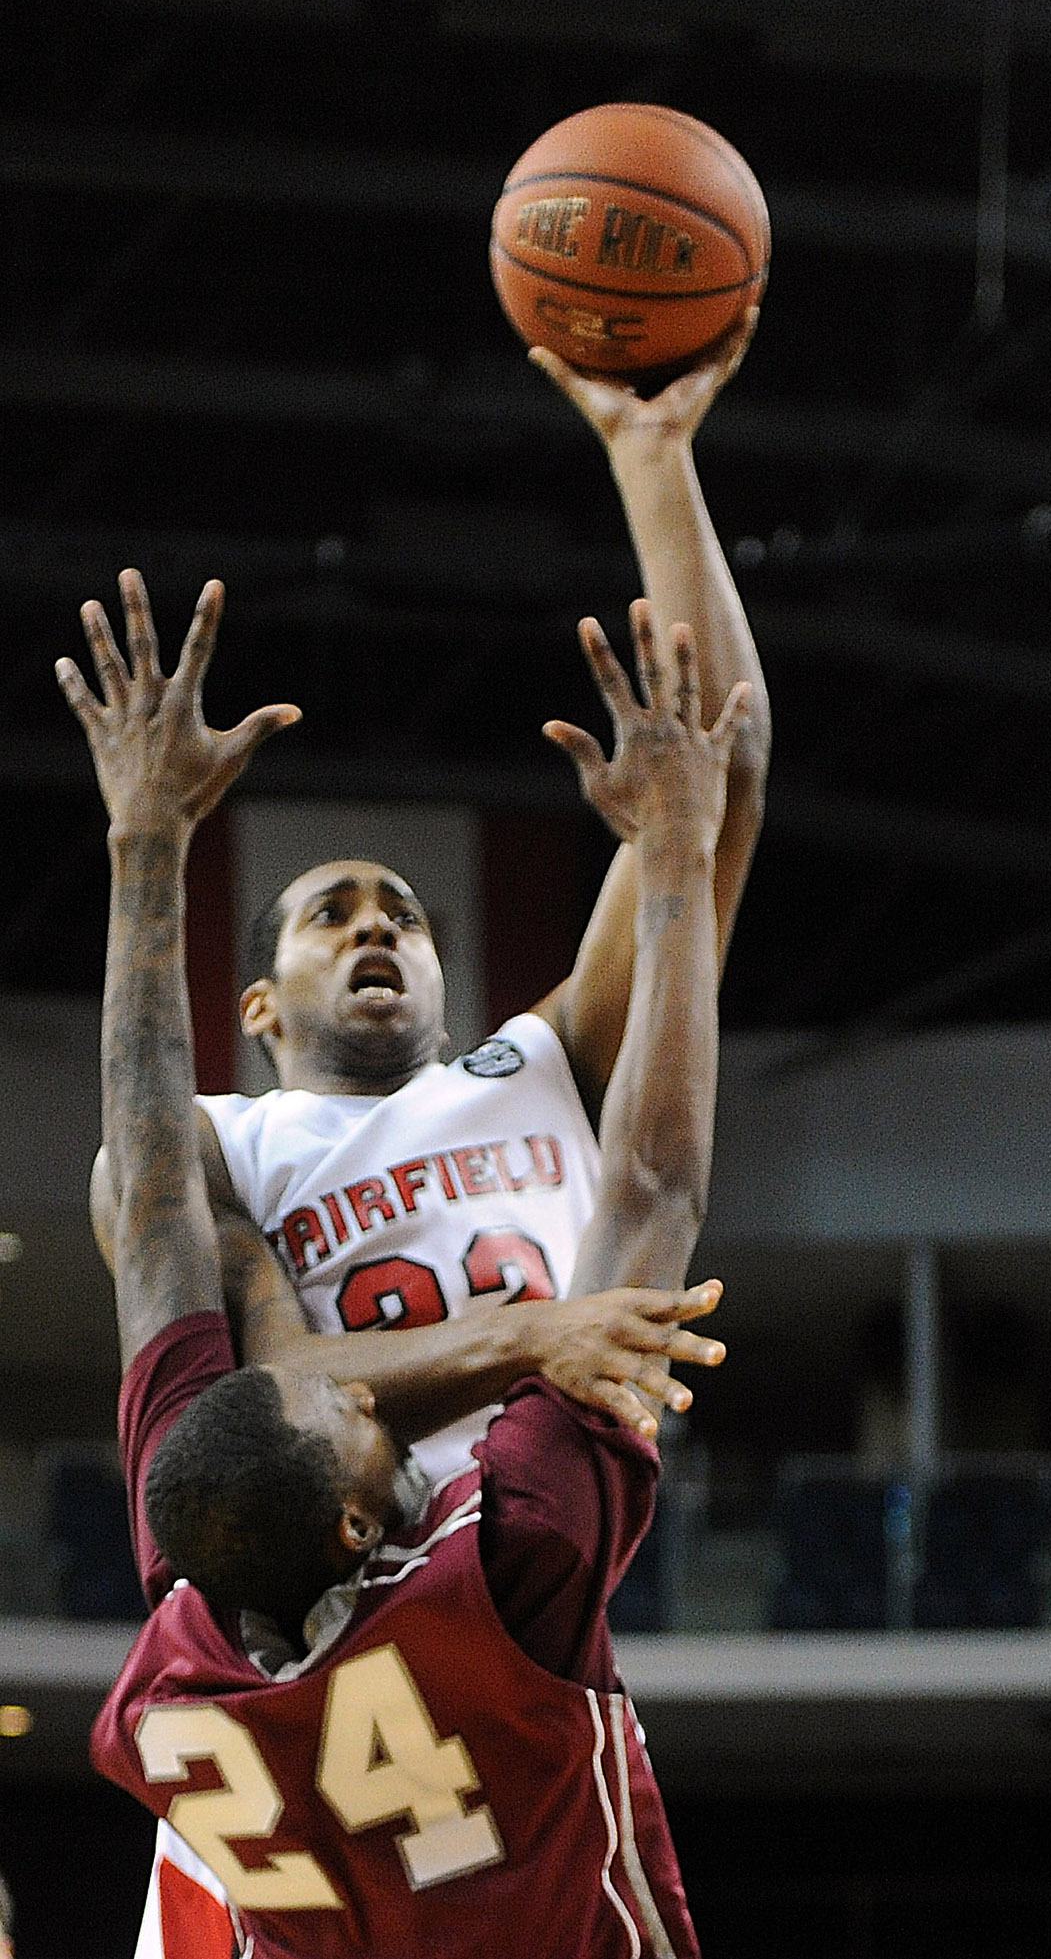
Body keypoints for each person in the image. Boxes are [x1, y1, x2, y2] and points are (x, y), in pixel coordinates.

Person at [85, 337, 769, 1955]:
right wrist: (539, 1335)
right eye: (333, 909)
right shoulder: (229, 1139)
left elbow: (718, 770)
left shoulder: (529, 1059)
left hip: (384, 1644)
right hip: (484, 1583)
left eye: (401, 906)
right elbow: (270, 1398)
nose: (378, 920)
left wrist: (654, 459)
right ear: (255, 1002)